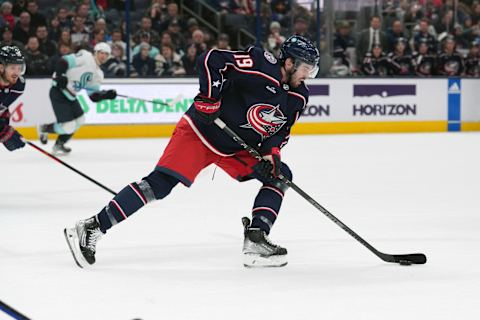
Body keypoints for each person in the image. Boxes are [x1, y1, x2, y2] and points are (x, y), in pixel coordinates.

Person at [64, 35, 320, 269]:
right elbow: (212, 60)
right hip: (201, 131)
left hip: (236, 147)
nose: (308, 75)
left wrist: (270, 154)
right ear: (289, 62)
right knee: (159, 185)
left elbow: (280, 131)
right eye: (306, 68)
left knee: (280, 174)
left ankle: (257, 238)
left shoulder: (299, 97)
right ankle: (92, 226)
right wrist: (210, 98)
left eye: (312, 70)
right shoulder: (259, 64)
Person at [37, 43, 117, 155]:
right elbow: (64, 61)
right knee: (68, 126)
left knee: (80, 120)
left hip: (71, 96)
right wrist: (61, 75)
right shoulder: (86, 57)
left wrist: (105, 96)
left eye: (106, 54)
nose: (103, 56)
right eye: (101, 53)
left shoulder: (99, 74)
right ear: (95, 52)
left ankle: (59, 144)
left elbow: (93, 96)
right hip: (58, 91)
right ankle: (44, 128)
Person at [0, 46, 26, 152]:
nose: (17, 73)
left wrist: (4, 126)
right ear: (1, 68)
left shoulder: (18, 85)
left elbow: (3, 108)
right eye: (12, 68)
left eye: (19, 68)